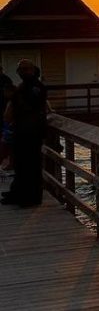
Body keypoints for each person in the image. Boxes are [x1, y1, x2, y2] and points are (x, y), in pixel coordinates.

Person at [1, 60, 48, 207]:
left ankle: (32, 198)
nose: (24, 72)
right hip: (20, 131)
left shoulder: (37, 87)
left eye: (27, 69)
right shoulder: (22, 87)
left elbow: (33, 107)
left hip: (32, 132)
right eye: (21, 70)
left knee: (31, 166)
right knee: (20, 165)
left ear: (34, 70)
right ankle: (17, 193)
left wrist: (13, 98)